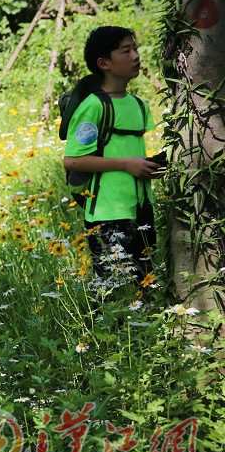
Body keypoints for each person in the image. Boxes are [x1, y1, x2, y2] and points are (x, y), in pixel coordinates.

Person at [63, 26, 159, 282]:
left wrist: (148, 167)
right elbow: (73, 160)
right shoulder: (93, 107)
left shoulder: (140, 105)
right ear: (104, 63)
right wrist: (126, 165)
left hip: (141, 209)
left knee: (145, 286)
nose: (136, 56)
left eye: (135, 49)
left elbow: (132, 152)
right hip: (107, 213)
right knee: (113, 293)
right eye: (126, 51)